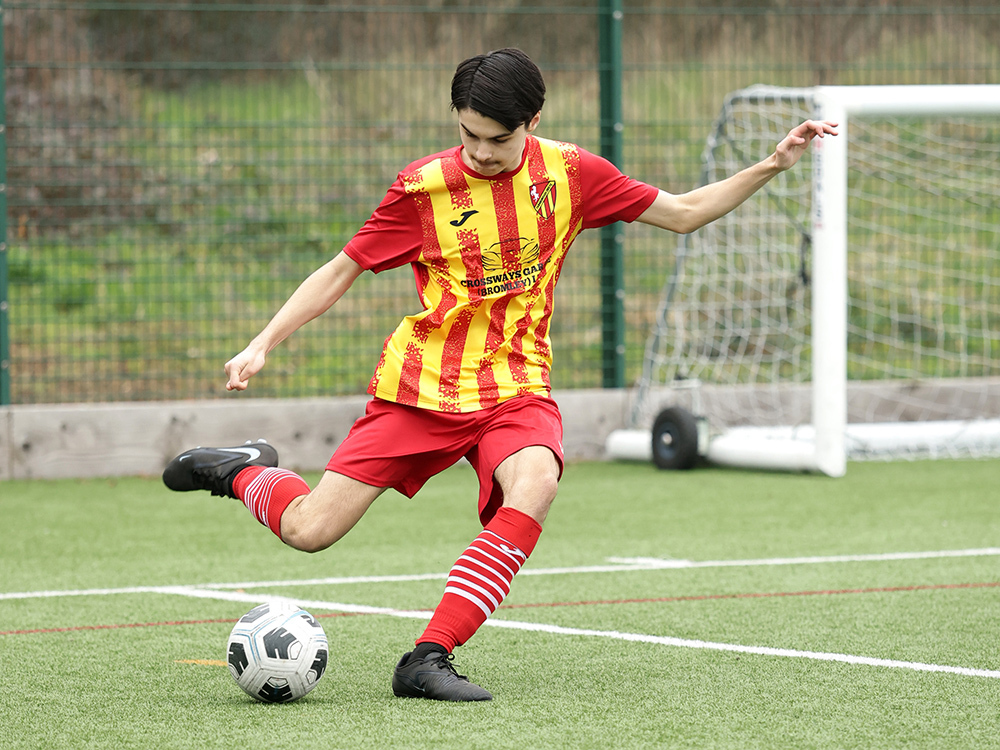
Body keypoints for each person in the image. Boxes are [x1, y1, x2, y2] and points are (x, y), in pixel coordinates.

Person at [163, 48, 837, 702]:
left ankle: (429, 657)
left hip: (516, 387)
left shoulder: (574, 175)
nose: (481, 151)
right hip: (422, 389)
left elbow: (684, 213)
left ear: (533, 122)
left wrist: (772, 165)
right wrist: (263, 342)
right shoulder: (423, 187)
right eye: (468, 133)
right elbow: (342, 268)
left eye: (497, 137)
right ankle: (242, 469)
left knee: (536, 481)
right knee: (309, 531)